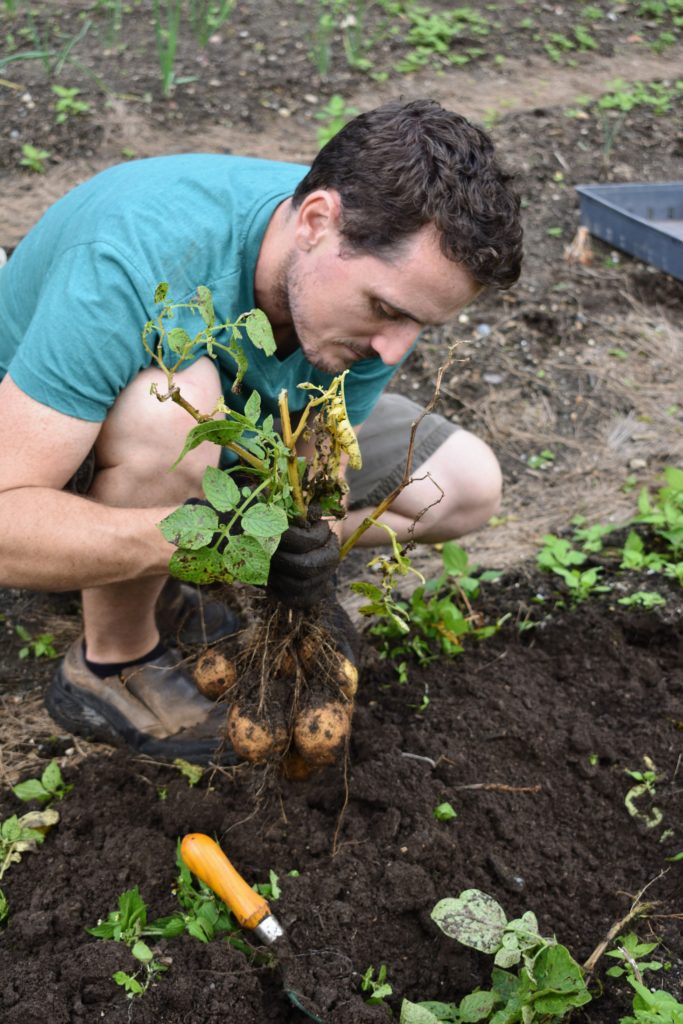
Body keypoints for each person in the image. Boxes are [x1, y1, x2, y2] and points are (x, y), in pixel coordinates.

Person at [0, 99, 522, 763]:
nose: (395, 351)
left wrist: (309, 566)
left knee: (464, 485)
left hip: (235, 428)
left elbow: (315, 452)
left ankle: (179, 577)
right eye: (385, 310)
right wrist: (209, 542)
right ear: (314, 221)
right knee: (173, 399)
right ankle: (111, 663)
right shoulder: (126, 259)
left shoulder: (370, 284)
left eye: (420, 324)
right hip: (54, 439)